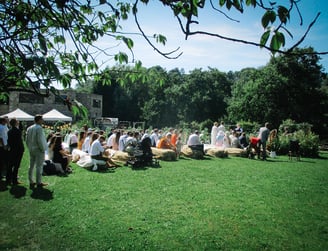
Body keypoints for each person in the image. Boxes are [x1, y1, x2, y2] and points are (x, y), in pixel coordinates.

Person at [26, 114, 48, 188]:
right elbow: (40, 140)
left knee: (31, 165)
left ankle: (31, 180)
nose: (43, 121)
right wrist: (43, 149)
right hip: (38, 149)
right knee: (39, 166)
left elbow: (26, 140)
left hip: (31, 149)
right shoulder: (39, 128)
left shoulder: (29, 128)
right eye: (42, 119)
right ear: (38, 120)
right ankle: (38, 182)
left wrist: (29, 147)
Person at [6, 118, 25, 185]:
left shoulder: (9, 131)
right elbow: (19, 141)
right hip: (18, 150)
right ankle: (14, 180)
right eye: (17, 121)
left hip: (12, 149)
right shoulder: (18, 131)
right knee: (16, 165)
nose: (18, 122)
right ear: (15, 123)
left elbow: (8, 141)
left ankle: (8, 179)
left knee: (10, 164)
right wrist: (22, 149)